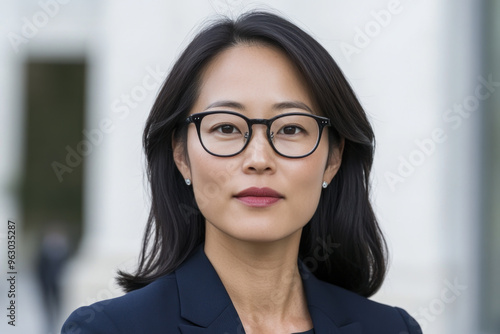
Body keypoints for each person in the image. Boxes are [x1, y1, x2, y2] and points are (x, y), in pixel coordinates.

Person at [62, 11, 422, 334]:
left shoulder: (391, 328)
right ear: (181, 155)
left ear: (333, 158)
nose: (259, 159)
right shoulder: (111, 329)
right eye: (226, 128)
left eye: (291, 129)